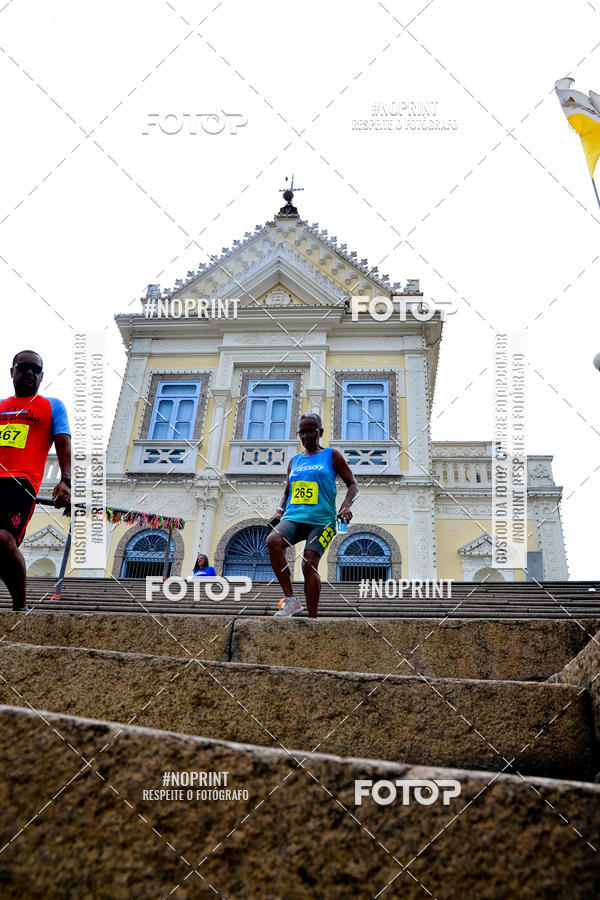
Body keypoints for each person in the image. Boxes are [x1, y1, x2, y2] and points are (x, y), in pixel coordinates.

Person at [266, 412, 358, 618]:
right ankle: (291, 601)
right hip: (294, 517)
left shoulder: (331, 455)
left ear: (320, 432)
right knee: (273, 541)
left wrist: (345, 506)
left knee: (309, 562)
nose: (306, 436)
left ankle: (312, 618)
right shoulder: (295, 461)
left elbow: (353, 484)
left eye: (311, 431)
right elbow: (287, 492)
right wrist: (278, 512)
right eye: (302, 432)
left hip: (322, 521)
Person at [0, 351, 71, 611]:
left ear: (42, 376)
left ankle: (20, 605)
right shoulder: (0, 406)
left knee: (4, 540)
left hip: (21, 483)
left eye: (36, 369)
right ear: (12, 371)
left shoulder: (52, 406)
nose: (30, 372)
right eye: (24, 367)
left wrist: (66, 481)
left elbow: (64, 444)